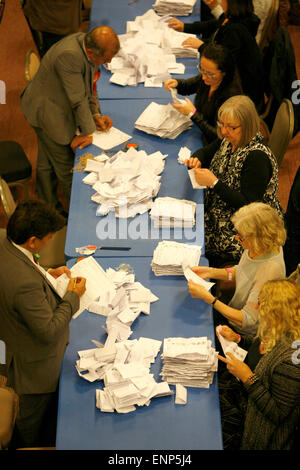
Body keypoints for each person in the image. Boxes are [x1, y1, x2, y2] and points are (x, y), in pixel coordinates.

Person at [0, 200, 86, 448]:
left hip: (10, 342)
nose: (50, 242)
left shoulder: (6, 241)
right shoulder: (24, 284)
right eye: (49, 238)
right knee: (31, 426)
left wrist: (48, 273)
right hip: (32, 372)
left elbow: (29, 265)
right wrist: (73, 295)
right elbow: (48, 331)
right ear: (33, 241)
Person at [21, 26, 120, 217]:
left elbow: (90, 86)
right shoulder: (69, 56)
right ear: (91, 52)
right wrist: (89, 133)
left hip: (57, 101)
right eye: (106, 59)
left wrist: (96, 115)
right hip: (47, 111)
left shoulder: (88, 45)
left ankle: (46, 201)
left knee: (46, 160)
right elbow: (77, 100)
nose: (109, 62)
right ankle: (67, 216)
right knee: (67, 168)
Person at [185, 95, 282, 266]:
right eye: (222, 124)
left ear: (248, 126)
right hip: (222, 210)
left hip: (246, 229)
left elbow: (249, 205)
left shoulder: (256, 157)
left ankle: (212, 281)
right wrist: (196, 159)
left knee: (190, 239)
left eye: (232, 127)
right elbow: (207, 151)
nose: (224, 131)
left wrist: (214, 183)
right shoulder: (230, 140)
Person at [216, 279, 300, 450]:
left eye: (260, 304)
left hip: (258, 431)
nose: (256, 308)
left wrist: (247, 377)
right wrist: (237, 339)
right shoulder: (273, 329)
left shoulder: (291, 360)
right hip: (242, 397)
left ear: (274, 312)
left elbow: (278, 414)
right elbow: (259, 350)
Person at [187, 202, 286, 337]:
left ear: (257, 238)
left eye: (241, 236)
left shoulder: (269, 271)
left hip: (240, 332)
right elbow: (243, 272)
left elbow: (247, 320)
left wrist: (210, 299)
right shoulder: (258, 247)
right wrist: (210, 271)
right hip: (233, 309)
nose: (236, 238)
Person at [168, 0, 265, 112]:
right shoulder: (232, 17)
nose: (220, 1)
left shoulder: (236, 30)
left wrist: (202, 46)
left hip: (242, 88)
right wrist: (184, 27)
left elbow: (225, 60)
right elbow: (212, 25)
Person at [164, 43, 242, 145]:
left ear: (224, 72)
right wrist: (177, 83)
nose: (204, 77)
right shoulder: (208, 79)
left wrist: (193, 114)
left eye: (210, 74)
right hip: (198, 131)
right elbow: (190, 85)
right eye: (202, 70)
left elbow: (220, 137)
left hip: (210, 144)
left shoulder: (231, 98)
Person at [201, 0, 273, 45]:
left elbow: (234, 21)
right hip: (227, 32)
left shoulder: (260, 4)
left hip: (240, 45)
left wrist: (214, 6)